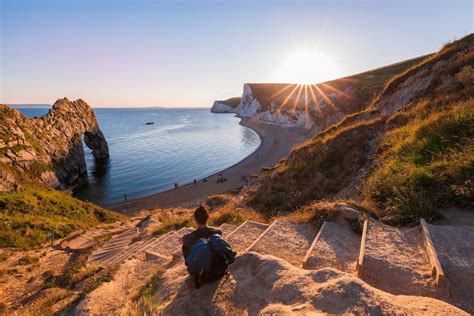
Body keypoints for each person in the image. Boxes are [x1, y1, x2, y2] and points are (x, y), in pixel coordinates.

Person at [181, 205, 228, 289]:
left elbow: (185, 242)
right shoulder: (218, 232)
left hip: (205, 277)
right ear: (208, 217)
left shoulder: (189, 237)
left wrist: (185, 241)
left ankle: (195, 276)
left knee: (185, 247)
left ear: (195, 219)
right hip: (220, 271)